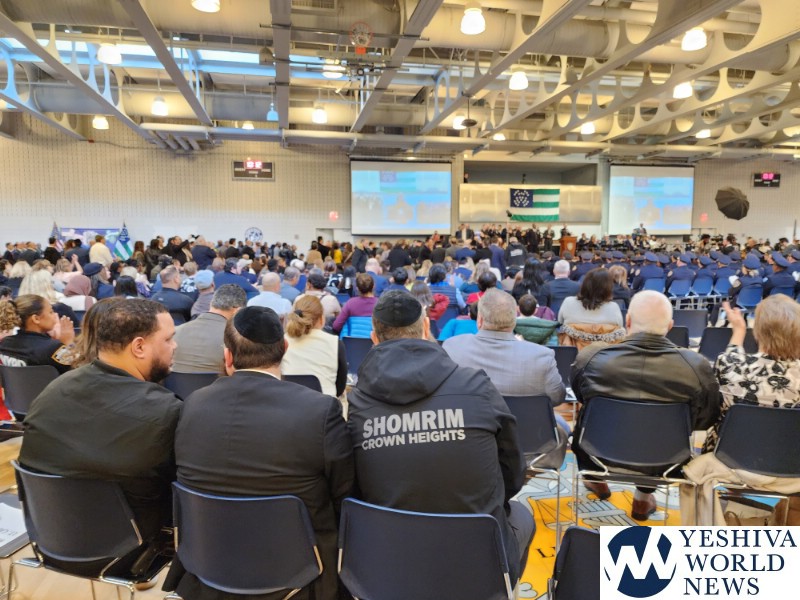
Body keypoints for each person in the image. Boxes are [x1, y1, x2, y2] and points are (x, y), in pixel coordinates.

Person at [167, 305, 353, 600]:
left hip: (208, 568)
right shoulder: (320, 410)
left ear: (228, 356)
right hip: (300, 573)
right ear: (284, 349)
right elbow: (344, 495)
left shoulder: (192, 405)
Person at [348, 291, 534, 584]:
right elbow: (512, 470)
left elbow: (355, 486)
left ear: (374, 337)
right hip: (477, 561)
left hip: (390, 564)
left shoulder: (356, 405)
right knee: (522, 515)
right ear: (426, 328)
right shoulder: (476, 385)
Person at [19, 300, 182, 576]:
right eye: (168, 339)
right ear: (139, 347)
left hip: (49, 539)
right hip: (130, 553)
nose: (175, 346)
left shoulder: (53, 390)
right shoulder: (166, 411)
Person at [570, 291, 720, 520]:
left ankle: (596, 479)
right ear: (670, 326)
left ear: (628, 321)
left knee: (585, 421)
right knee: (659, 437)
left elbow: (581, 397)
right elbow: (705, 419)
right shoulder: (696, 366)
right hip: (667, 459)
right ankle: (642, 499)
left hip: (595, 453)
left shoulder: (591, 357)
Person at [680, 296, 800, 525]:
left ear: (759, 333)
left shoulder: (730, 365)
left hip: (731, 461)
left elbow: (731, 359)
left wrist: (738, 331)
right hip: (793, 467)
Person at [443, 289, 568, 455]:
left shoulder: (452, 347)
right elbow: (557, 397)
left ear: (479, 320)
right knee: (563, 427)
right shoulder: (542, 356)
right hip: (528, 442)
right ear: (514, 321)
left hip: (468, 442)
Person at [172, 284, 247, 374]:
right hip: (221, 382)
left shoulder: (174, 333)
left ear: (211, 303)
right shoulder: (237, 340)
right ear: (238, 310)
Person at [282, 295, 347, 399]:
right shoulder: (335, 343)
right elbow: (340, 386)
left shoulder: (282, 341)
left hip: (288, 402)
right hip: (326, 405)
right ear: (322, 319)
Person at [0, 294, 75, 373]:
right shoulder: (53, 348)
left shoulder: (5, 343)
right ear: (36, 319)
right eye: (51, 312)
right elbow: (78, 370)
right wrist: (69, 342)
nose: (55, 315)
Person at [558, 268, 625, 349]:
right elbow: (619, 330)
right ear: (609, 287)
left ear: (584, 284)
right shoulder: (614, 308)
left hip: (573, 353)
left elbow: (560, 322)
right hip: (605, 354)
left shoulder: (568, 302)